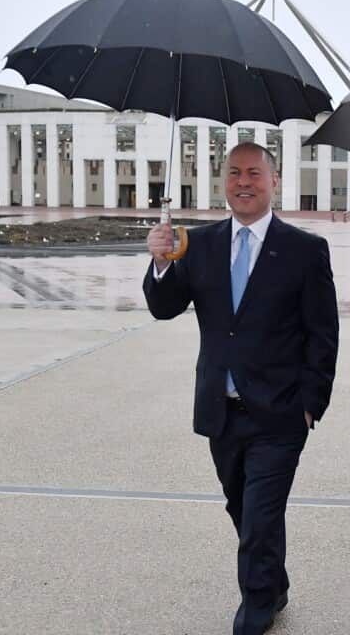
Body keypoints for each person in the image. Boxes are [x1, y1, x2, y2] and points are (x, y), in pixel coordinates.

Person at [144, 142, 338, 635]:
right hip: (220, 409)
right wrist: (161, 262)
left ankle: (256, 607)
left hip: (281, 413)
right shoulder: (198, 244)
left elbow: (323, 333)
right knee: (241, 506)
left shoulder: (304, 249)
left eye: (254, 173)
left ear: (274, 182)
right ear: (223, 182)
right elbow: (164, 307)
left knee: (259, 516)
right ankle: (274, 580)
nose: (244, 182)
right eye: (234, 173)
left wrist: (312, 404)